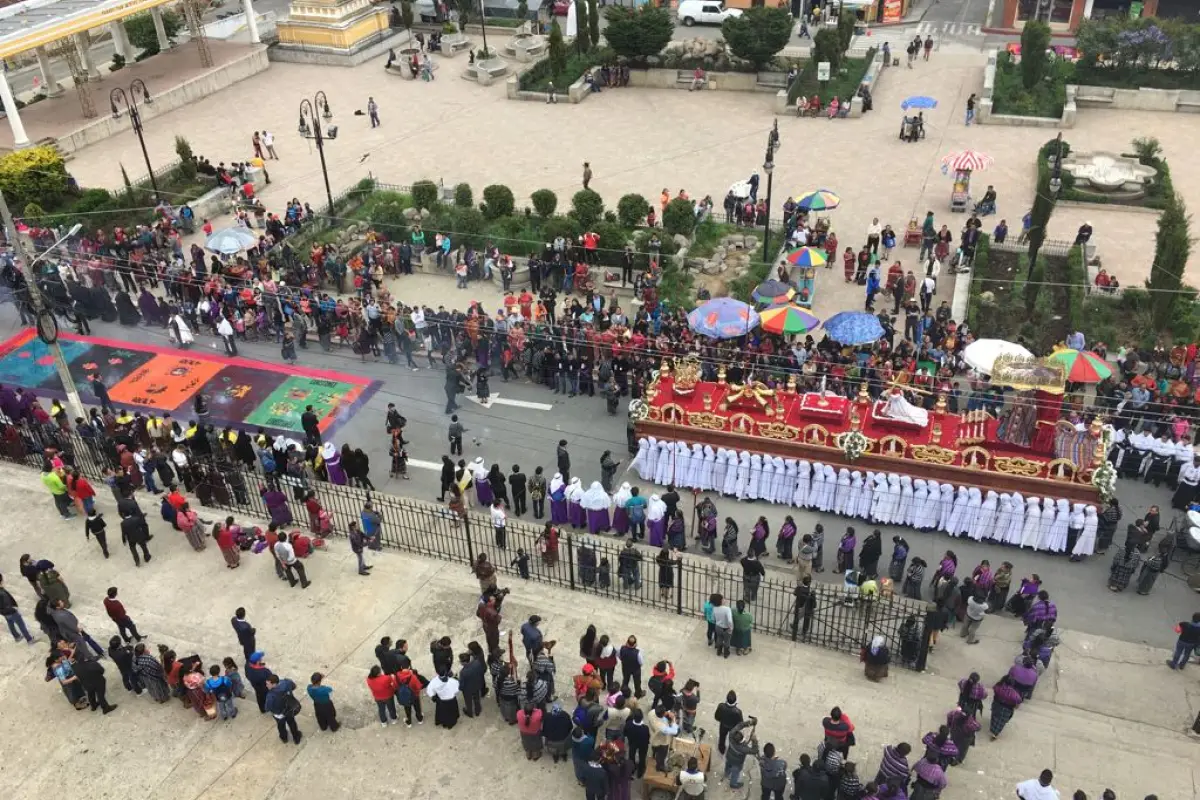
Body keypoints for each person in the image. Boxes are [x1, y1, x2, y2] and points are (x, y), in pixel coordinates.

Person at [265, 673, 303, 744]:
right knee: (292, 724)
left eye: (268, 684)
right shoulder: (286, 682)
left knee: (281, 726)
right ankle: (296, 738)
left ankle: (284, 738)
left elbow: (267, 708)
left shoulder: (270, 696)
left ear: (274, 684)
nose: (266, 685)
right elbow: (294, 686)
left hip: (279, 714)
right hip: (289, 709)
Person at [0, 575, 34, 644]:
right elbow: (7, 603)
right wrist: (14, 609)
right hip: (11, 612)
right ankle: (29, 639)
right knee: (21, 625)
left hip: (4, 612)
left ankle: (17, 637)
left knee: (10, 623)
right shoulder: (2, 593)